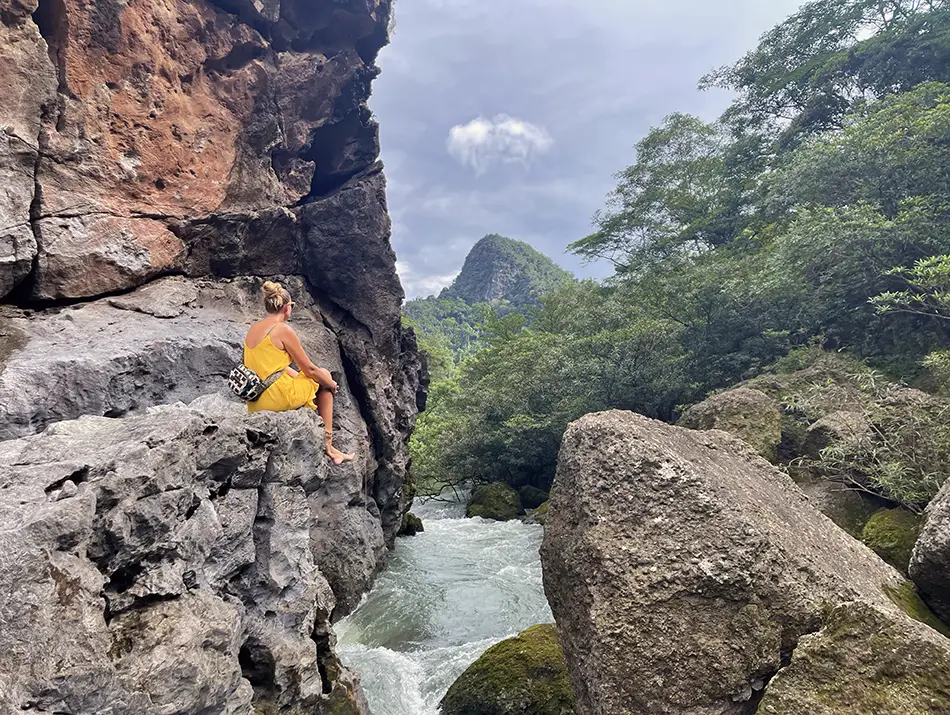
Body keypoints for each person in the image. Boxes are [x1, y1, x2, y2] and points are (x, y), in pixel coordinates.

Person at [244, 281, 355, 465]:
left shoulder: (252, 330)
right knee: (324, 374)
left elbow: (273, 369)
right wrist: (329, 383)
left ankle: (329, 444)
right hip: (277, 398)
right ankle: (329, 446)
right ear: (287, 308)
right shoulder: (282, 330)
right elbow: (310, 369)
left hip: (255, 402)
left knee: (303, 378)